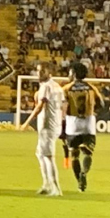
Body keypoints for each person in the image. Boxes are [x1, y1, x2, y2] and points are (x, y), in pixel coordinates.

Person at [20, 63, 65, 196]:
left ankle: (56, 189)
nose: (39, 74)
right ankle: (46, 184)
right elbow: (63, 105)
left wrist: (26, 123)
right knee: (40, 154)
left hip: (47, 125)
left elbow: (40, 107)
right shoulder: (57, 86)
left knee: (48, 157)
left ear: (50, 72)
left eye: (42, 71)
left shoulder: (46, 87)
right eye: (38, 71)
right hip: (54, 124)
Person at [62, 63, 104, 192]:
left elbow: (62, 106)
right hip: (88, 123)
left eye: (70, 72)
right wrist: (92, 111)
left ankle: (80, 184)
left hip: (72, 124)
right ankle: (84, 173)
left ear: (74, 73)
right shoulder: (91, 87)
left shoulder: (66, 88)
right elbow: (101, 103)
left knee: (74, 154)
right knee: (88, 153)